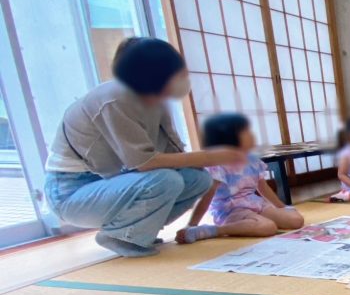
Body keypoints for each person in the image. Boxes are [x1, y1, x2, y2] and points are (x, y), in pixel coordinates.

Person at [44, 38, 244, 257]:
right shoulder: (114, 99)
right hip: (71, 190)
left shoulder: (154, 101)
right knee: (165, 180)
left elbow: (173, 153)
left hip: (112, 181)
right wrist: (208, 157)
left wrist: (210, 162)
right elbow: (144, 163)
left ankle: (137, 232)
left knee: (199, 179)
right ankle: (119, 235)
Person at [175, 113, 304, 244]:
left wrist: (281, 207)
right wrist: (192, 224)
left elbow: (262, 187)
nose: (251, 135)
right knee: (267, 227)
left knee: (296, 220)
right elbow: (207, 196)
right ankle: (214, 230)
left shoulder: (252, 159)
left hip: (254, 203)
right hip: (231, 209)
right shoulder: (219, 163)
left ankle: (253, 220)